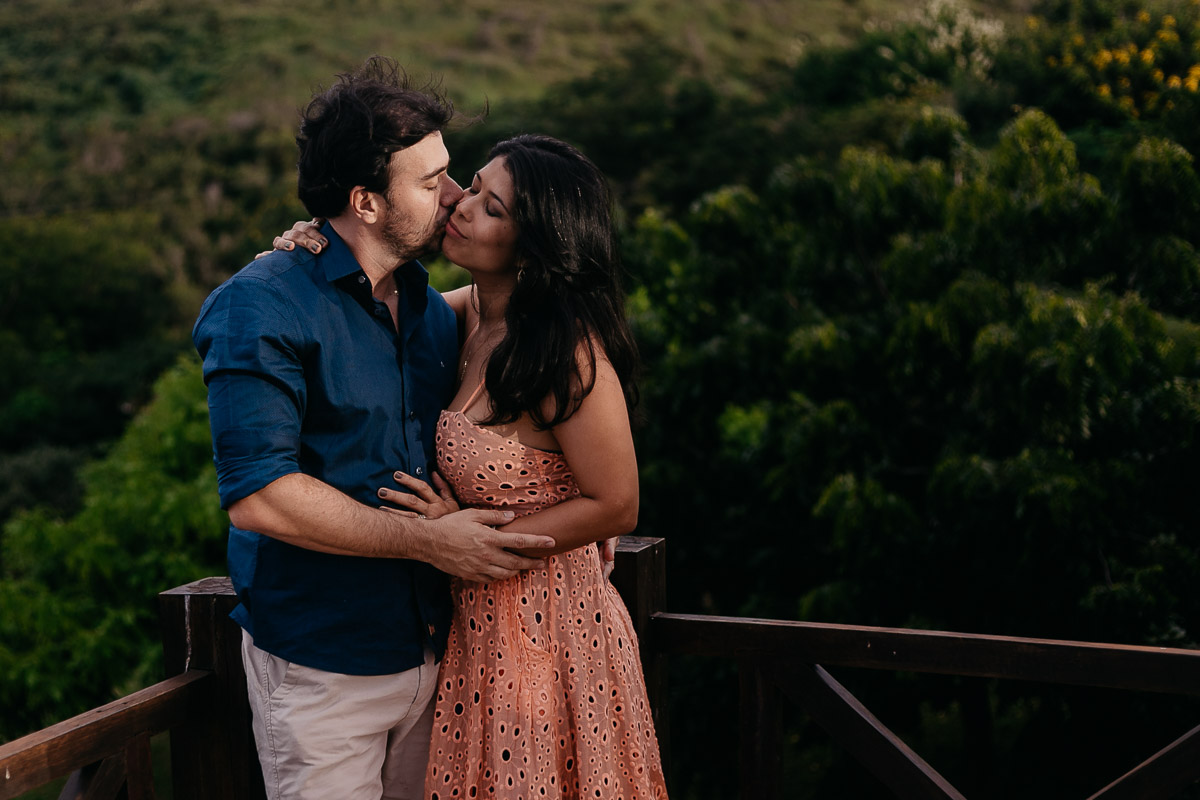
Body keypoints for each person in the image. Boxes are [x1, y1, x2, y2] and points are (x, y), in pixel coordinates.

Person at [192, 58, 558, 800]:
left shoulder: (428, 307)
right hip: (324, 667)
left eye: (450, 174)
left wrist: (583, 495)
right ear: (364, 201)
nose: (456, 198)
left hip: (441, 650)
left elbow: (524, 333)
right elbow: (258, 497)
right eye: (431, 184)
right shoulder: (261, 306)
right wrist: (429, 540)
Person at [278, 134, 668, 798]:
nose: (460, 206)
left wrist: (471, 535)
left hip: (550, 635)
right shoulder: (458, 315)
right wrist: (313, 245)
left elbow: (616, 504)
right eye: (472, 185)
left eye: (492, 207)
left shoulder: (564, 350)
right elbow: (365, 301)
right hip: (469, 630)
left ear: (535, 244)